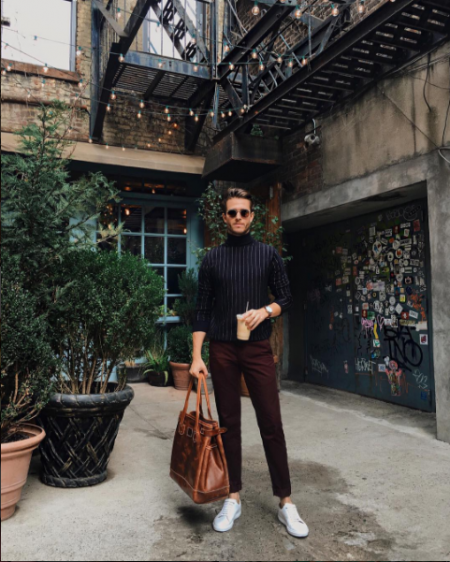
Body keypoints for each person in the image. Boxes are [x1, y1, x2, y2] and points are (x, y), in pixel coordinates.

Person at [189, 187, 309, 539]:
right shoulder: (213, 259)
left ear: (252, 216)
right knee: (228, 424)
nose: (238, 217)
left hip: (257, 348)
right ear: (224, 218)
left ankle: (286, 502)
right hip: (222, 349)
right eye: (232, 213)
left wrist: (266, 310)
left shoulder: (267, 254)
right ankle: (233, 497)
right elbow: (202, 309)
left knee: (271, 422)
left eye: (244, 212)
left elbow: (286, 296)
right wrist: (196, 356)